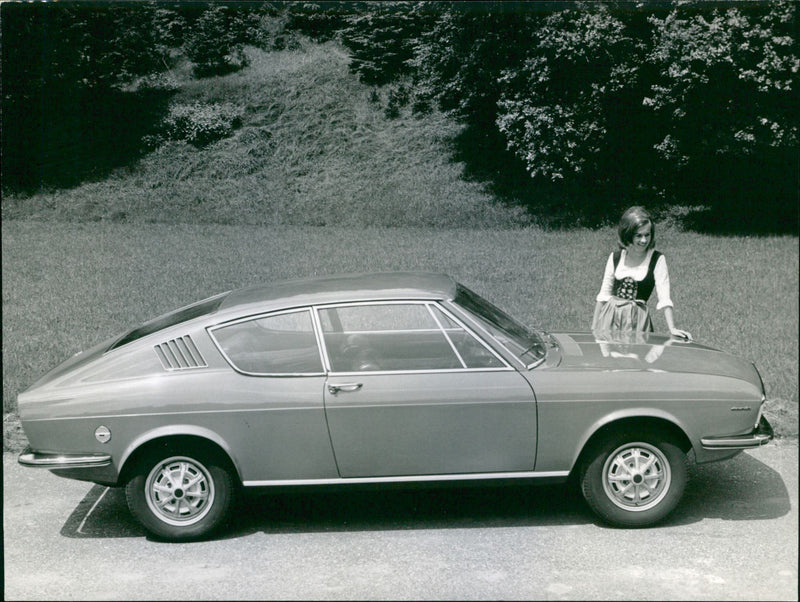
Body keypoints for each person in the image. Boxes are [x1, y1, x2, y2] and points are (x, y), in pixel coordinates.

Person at [592, 206, 692, 339]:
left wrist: (672, 328)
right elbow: (603, 295)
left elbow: (664, 296)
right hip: (609, 319)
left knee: (636, 356)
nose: (644, 240)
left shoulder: (657, 259)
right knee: (609, 357)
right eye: (638, 235)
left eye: (647, 234)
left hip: (637, 320)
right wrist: (593, 329)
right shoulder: (615, 258)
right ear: (628, 234)